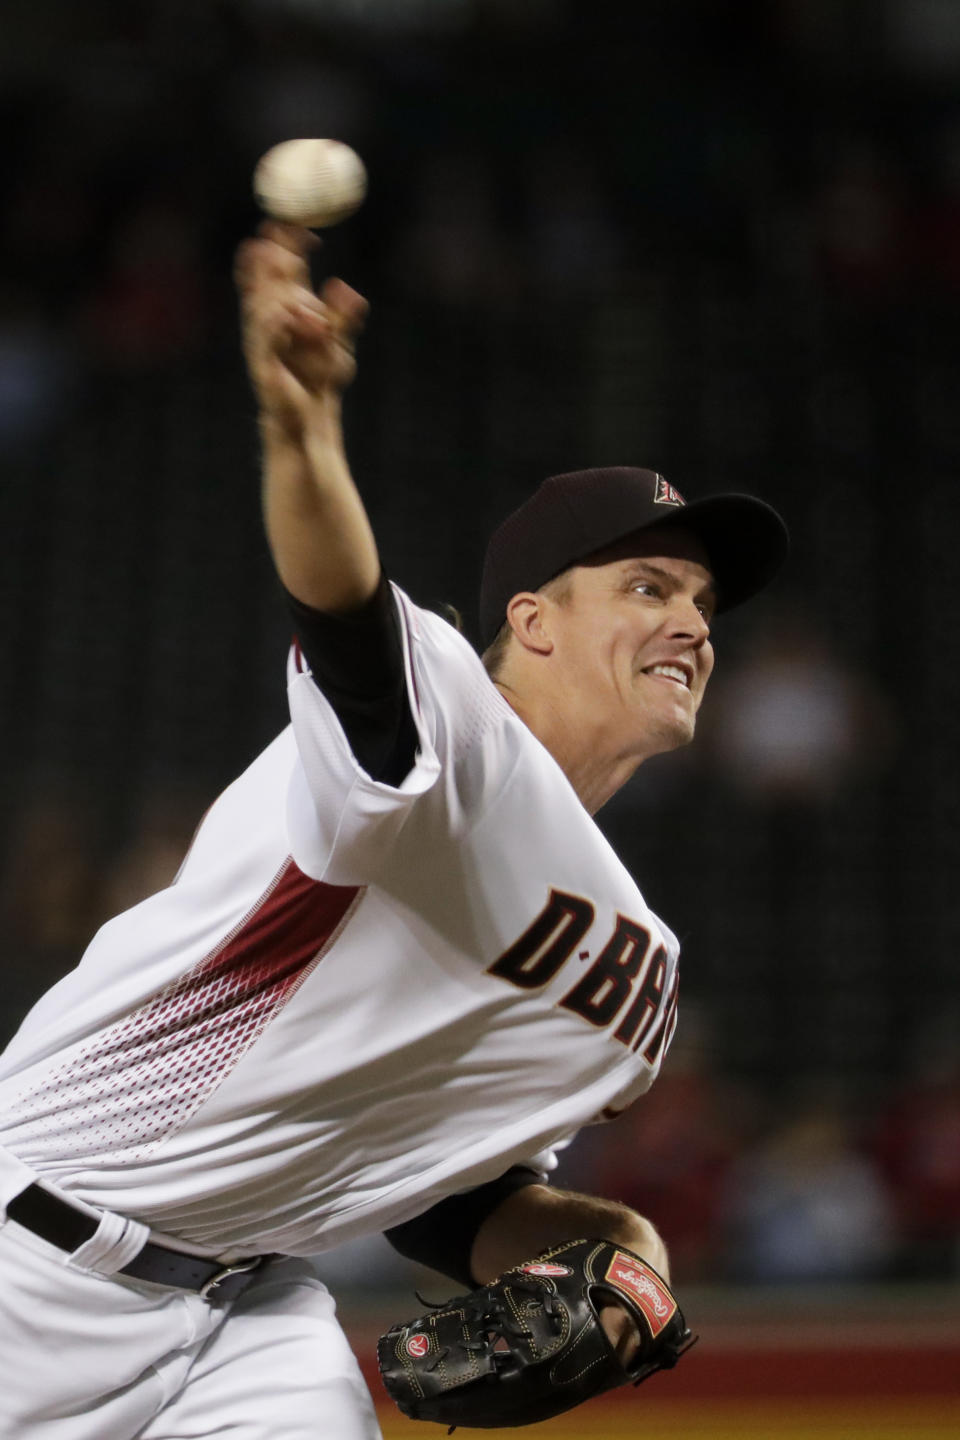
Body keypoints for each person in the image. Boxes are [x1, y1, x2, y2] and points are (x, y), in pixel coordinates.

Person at [0, 223, 788, 1439]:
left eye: (700, 603)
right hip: (29, 1255)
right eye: (647, 587)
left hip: (247, 1307)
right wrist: (301, 438)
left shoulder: (642, 971)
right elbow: (350, 622)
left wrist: (621, 1248)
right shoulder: (451, 726)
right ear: (530, 621)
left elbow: (444, 1198)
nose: (691, 624)